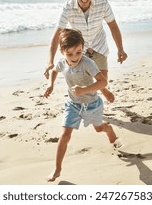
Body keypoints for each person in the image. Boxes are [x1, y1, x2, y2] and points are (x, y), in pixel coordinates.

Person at [43, 28, 119, 182]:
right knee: (65, 135)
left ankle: (108, 129)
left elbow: (103, 81)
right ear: (62, 51)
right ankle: (57, 168)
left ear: (82, 48)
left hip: (92, 104)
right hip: (73, 105)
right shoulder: (61, 62)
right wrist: (51, 85)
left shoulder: (87, 63)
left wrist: (84, 90)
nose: (74, 57)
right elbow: (54, 71)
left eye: (78, 52)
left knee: (98, 129)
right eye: (69, 54)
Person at [44, 0, 127, 103]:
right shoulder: (68, 7)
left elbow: (113, 26)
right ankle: (91, 106)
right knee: (82, 84)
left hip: (99, 45)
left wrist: (120, 49)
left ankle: (103, 90)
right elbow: (57, 34)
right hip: (79, 49)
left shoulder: (102, 3)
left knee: (102, 81)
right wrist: (50, 61)